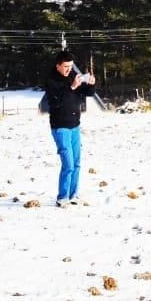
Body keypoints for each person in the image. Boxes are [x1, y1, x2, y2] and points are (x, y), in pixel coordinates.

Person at [44, 50, 95, 207]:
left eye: (71, 66)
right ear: (58, 65)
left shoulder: (73, 75)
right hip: (60, 128)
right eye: (66, 66)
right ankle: (62, 197)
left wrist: (92, 84)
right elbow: (56, 100)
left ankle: (73, 195)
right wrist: (71, 88)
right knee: (68, 164)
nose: (69, 69)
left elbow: (88, 93)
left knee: (77, 164)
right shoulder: (51, 80)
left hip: (75, 126)